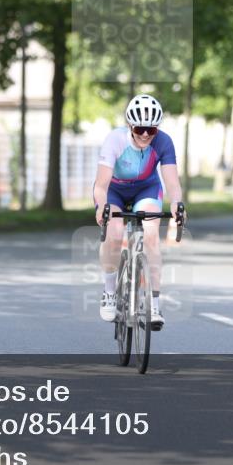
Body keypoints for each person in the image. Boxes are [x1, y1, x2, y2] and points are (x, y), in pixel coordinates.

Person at [93, 94, 185, 330]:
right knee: (114, 233)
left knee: (152, 235)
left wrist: (176, 203)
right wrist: (101, 207)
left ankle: (154, 305)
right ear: (130, 125)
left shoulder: (163, 142)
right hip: (115, 191)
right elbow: (101, 185)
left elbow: (172, 183)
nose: (145, 134)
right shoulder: (115, 140)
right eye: (140, 128)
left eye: (151, 129)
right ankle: (110, 291)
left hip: (146, 189)